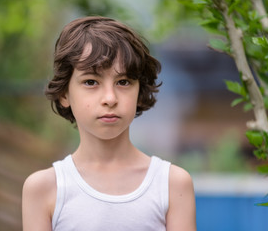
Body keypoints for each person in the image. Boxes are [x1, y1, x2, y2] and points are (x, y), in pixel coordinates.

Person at [22, 16, 196, 231]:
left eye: (123, 82)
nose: (110, 98)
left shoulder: (172, 184)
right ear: (64, 93)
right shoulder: (43, 188)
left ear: (140, 92)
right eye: (91, 82)